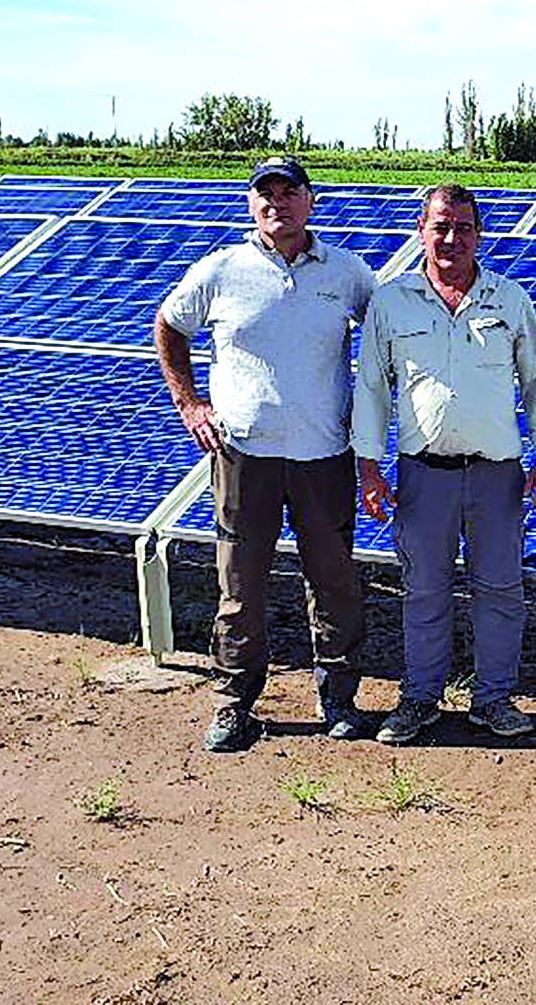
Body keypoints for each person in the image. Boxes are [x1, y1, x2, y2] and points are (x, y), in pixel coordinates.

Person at [153, 155, 377, 752]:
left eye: (289, 191)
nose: (277, 202)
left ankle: (338, 697)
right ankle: (235, 700)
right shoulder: (222, 270)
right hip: (243, 455)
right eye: (266, 193)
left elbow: (385, 336)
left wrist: (374, 418)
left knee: (333, 579)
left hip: (323, 454)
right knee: (240, 585)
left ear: (310, 201)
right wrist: (189, 404)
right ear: (252, 203)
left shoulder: (347, 273)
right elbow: (169, 325)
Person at [352, 183, 536, 744]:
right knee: (424, 590)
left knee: (500, 589)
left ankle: (494, 698)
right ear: (421, 231)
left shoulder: (509, 300)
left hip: (497, 475)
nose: (451, 239)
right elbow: (371, 389)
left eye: (463, 228)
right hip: (423, 476)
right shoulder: (391, 303)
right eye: (440, 227)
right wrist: (368, 468)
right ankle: (420, 699)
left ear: (479, 235)